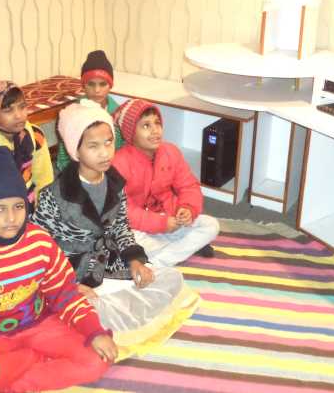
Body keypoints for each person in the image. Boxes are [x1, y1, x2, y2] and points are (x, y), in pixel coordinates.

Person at [0, 144, 116, 393]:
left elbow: (66, 294)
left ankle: (25, 383)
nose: (11, 218)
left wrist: (94, 331)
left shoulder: (40, 242)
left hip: (42, 325)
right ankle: (32, 358)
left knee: (97, 359)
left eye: (18, 206)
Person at [33, 101, 195, 356]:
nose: (105, 153)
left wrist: (135, 262)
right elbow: (39, 247)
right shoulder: (54, 195)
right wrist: (69, 286)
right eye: (93, 146)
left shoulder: (115, 183)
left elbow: (121, 227)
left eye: (108, 143)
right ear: (75, 150)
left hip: (107, 262)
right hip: (71, 273)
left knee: (169, 278)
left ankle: (105, 311)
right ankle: (90, 313)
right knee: (82, 305)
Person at [112, 99, 220, 267]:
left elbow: (189, 186)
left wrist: (187, 209)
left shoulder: (170, 152)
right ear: (130, 133)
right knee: (120, 242)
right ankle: (178, 250)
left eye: (157, 123)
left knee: (211, 225)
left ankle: (154, 261)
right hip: (140, 228)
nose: (155, 130)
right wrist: (159, 224)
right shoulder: (119, 162)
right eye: (146, 126)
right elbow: (122, 210)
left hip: (172, 220)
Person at [0, 80, 53, 208]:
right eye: (8, 110)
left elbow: (44, 179)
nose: (18, 115)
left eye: (22, 107)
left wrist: (43, 209)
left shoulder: (34, 135)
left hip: (31, 202)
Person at [55, 50, 125, 172]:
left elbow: (122, 150)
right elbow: (64, 158)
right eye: (91, 84)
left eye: (103, 84)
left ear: (110, 85)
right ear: (83, 85)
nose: (97, 90)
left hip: (112, 168)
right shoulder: (73, 114)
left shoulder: (119, 113)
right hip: (80, 172)